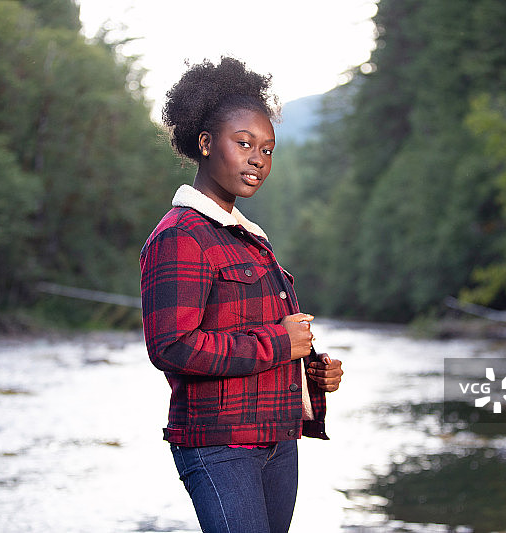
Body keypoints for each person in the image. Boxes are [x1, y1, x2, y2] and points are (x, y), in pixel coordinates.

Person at [139, 56, 344, 533]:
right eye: (245, 143)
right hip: (219, 444)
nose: (258, 159)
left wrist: (310, 367)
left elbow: (259, 333)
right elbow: (171, 346)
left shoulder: (249, 239)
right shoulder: (181, 235)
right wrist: (279, 343)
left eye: (268, 149)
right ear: (206, 143)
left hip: (278, 438)